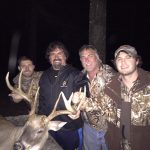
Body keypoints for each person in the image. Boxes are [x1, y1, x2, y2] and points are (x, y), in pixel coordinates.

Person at [102, 45, 150, 150]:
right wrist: (80, 103)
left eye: (128, 57)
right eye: (119, 59)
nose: (123, 62)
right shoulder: (109, 88)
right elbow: (98, 108)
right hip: (115, 145)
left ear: (137, 61)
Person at [38, 41, 83, 150]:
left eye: (60, 53)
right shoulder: (44, 76)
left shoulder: (75, 74)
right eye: (53, 54)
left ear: (65, 56)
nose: (56, 56)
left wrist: (79, 107)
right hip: (49, 127)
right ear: (49, 58)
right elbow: (42, 100)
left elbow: (83, 91)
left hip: (69, 127)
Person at [72, 44, 115, 150]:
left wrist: (84, 103)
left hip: (109, 128)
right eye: (83, 57)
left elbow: (112, 104)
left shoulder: (111, 75)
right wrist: (75, 109)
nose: (86, 60)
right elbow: (77, 100)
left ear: (97, 57)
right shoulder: (79, 77)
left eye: (90, 56)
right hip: (88, 127)